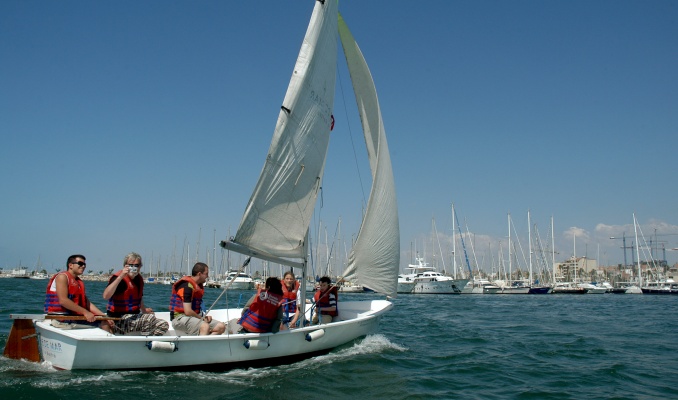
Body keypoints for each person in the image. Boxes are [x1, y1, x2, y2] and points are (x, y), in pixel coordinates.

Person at [102, 252, 169, 336]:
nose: (133, 268)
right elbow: (105, 296)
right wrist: (121, 276)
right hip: (119, 319)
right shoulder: (119, 279)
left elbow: (139, 298)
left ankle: (148, 343)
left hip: (134, 317)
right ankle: (145, 342)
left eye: (136, 265)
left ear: (140, 267)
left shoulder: (138, 279)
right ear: (125, 266)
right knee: (148, 319)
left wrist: (144, 311)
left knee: (163, 324)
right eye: (130, 265)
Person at [44, 254, 113, 332]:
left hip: (73, 316)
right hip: (61, 318)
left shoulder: (78, 282)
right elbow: (63, 301)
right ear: (70, 265)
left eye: (84, 264)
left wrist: (103, 315)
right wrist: (85, 312)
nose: (83, 266)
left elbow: (87, 303)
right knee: (104, 323)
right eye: (80, 263)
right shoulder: (62, 277)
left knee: (105, 320)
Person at [169, 262, 225, 335]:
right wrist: (202, 318)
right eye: (206, 274)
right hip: (179, 319)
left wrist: (203, 317)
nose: (207, 276)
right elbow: (188, 311)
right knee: (204, 326)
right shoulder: (187, 287)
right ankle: (202, 344)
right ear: (199, 274)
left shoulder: (197, 286)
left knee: (221, 327)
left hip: (193, 318)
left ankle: (205, 343)